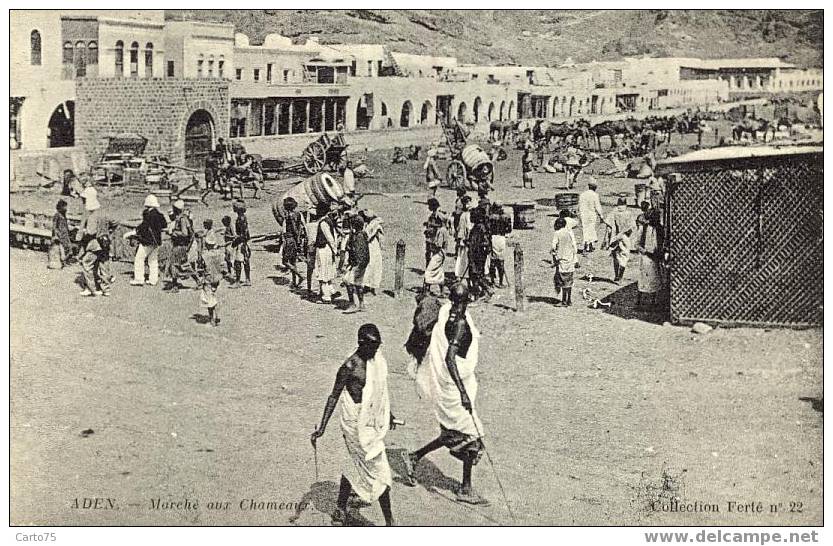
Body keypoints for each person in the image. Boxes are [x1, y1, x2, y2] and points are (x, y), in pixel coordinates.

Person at [403, 283, 488, 505]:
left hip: (451, 384)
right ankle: (465, 488)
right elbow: (450, 359)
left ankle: (415, 456)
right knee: (471, 436)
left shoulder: (444, 313)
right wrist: (463, 393)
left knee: (454, 432)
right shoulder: (459, 324)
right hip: (453, 387)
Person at [310, 324, 396, 526]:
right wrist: (321, 429)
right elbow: (333, 397)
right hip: (354, 424)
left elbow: (379, 390)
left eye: (378, 346)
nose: (376, 350)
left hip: (370, 423)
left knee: (352, 465)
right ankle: (390, 522)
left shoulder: (376, 360)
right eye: (372, 346)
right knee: (381, 473)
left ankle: (340, 507)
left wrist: (388, 413)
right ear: (361, 344)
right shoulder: (349, 367)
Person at [76, 192, 117, 297]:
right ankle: (106, 289)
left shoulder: (92, 216)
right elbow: (115, 222)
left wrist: (83, 232)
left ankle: (92, 288)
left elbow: (91, 231)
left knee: (87, 264)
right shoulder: (104, 213)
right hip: (105, 243)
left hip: (94, 244)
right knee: (104, 266)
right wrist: (109, 231)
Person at [131, 194, 167, 287]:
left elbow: (144, 226)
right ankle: (153, 279)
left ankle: (139, 279)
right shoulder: (159, 214)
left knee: (139, 258)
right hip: (156, 241)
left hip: (147, 241)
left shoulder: (148, 214)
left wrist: (135, 231)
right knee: (153, 260)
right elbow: (164, 225)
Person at [636, 207, 664, 309]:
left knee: (655, 279)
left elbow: (662, 242)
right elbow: (637, 244)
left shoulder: (660, 229)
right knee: (643, 278)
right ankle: (639, 300)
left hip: (655, 257)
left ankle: (653, 301)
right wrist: (643, 251)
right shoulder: (644, 228)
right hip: (646, 257)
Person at [341, 215, 370, 314]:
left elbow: (357, 251)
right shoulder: (362, 234)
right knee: (358, 284)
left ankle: (352, 304)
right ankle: (361, 304)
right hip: (361, 263)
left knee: (348, 282)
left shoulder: (358, 236)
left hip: (357, 263)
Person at [604, 197, 636, 284]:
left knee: (615, 256)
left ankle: (616, 276)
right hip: (624, 237)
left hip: (614, 238)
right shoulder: (629, 214)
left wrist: (607, 239)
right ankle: (620, 276)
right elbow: (632, 228)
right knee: (624, 257)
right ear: (626, 205)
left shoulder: (613, 213)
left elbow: (608, 228)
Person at [165, 200, 195, 292]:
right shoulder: (183, 218)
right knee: (178, 264)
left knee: (176, 264)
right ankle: (176, 285)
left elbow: (184, 233)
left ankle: (175, 286)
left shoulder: (181, 219)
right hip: (180, 244)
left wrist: (173, 233)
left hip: (180, 244)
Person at [314, 202, 340, 303]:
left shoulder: (323, 223)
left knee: (323, 270)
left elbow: (329, 238)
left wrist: (334, 250)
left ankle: (326, 296)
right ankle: (330, 290)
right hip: (328, 249)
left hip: (324, 248)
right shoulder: (328, 220)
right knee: (327, 269)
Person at [467, 206, 493, 302]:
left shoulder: (480, 227)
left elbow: (485, 242)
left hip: (478, 255)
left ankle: (486, 290)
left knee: (476, 275)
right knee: (475, 275)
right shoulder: (477, 227)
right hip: (475, 254)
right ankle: (482, 292)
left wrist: (477, 248)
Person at [551, 217, 578, 306]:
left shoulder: (557, 233)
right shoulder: (569, 233)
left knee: (563, 282)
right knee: (569, 281)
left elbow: (553, 247)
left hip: (562, 260)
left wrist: (554, 256)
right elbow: (573, 246)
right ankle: (569, 300)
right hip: (570, 260)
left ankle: (563, 301)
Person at [281, 197, 306, 289]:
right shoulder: (298, 214)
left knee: (285, 261)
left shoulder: (289, 216)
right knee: (293, 261)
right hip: (294, 240)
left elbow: (294, 229)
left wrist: (296, 238)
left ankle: (300, 276)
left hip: (289, 239)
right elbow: (301, 227)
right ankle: (295, 282)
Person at [578, 179, 607, 254]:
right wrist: (601, 216)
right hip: (591, 214)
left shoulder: (583, 194)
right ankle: (586, 246)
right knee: (591, 229)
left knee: (585, 229)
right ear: (595, 187)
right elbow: (597, 206)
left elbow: (579, 205)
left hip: (583, 214)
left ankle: (589, 245)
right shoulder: (595, 195)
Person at [422, 213, 449, 296]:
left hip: (438, 254)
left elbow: (438, 245)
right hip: (442, 254)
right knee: (439, 272)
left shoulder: (441, 231)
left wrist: (429, 241)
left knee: (429, 271)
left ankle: (426, 291)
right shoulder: (445, 230)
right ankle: (442, 291)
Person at [488, 203, 511, 287]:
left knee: (493, 260)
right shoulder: (506, 216)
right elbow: (509, 229)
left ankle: (492, 281)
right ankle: (501, 282)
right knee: (501, 260)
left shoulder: (491, 217)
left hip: (493, 237)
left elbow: (488, 228)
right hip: (502, 238)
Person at [230, 200, 251, 288]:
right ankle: (247, 279)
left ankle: (238, 282)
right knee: (246, 261)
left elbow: (243, 234)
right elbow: (247, 233)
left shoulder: (240, 219)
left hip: (241, 242)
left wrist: (235, 242)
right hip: (244, 242)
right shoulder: (244, 217)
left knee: (237, 262)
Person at [361, 210, 383, 295]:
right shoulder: (367, 224)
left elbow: (373, 236)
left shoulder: (376, 225)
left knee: (375, 264)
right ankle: (367, 285)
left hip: (373, 246)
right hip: (369, 246)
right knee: (369, 264)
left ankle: (374, 286)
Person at [50, 199, 74, 268]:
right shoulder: (57, 215)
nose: (66, 208)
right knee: (63, 249)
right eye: (64, 207)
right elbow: (54, 226)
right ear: (60, 207)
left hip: (65, 235)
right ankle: (63, 262)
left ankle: (65, 261)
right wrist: (55, 235)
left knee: (68, 249)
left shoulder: (63, 215)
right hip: (60, 235)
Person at [454, 195, 472, 280]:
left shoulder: (462, 214)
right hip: (465, 239)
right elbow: (468, 228)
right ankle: (464, 273)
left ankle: (458, 273)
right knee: (465, 256)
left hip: (461, 238)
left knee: (460, 256)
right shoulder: (467, 215)